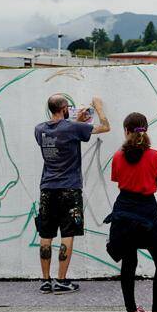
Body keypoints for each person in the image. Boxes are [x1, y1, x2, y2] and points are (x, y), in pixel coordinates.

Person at [104, 112, 157, 312]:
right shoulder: (154, 156)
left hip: (123, 214)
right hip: (147, 214)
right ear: (146, 130)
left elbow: (120, 181)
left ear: (126, 131)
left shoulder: (118, 157)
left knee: (129, 262)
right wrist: (150, 185)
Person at [34, 94, 110, 294]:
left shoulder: (39, 129)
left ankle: (45, 280)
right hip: (69, 188)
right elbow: (105, 127)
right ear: (65, 107)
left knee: (46, 234)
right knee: (67, 234)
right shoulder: (73, 128)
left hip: (47, 188)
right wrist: (99, 108)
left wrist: (76, 123)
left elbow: (60, 134)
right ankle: (61, 280)